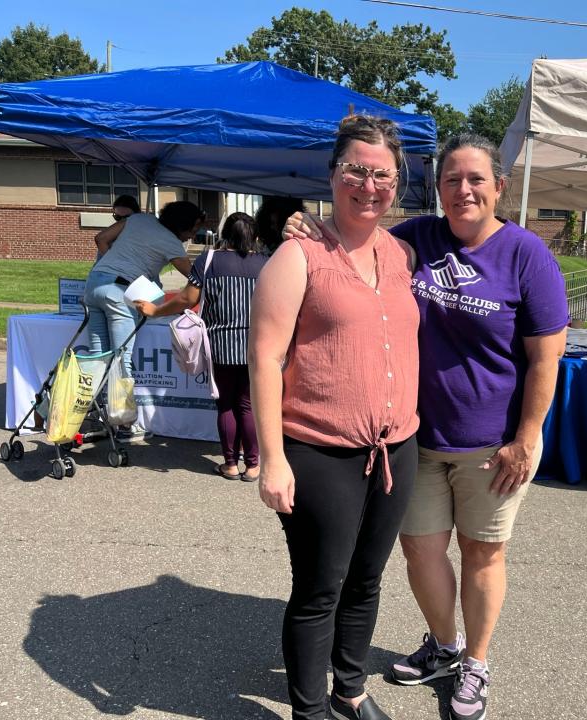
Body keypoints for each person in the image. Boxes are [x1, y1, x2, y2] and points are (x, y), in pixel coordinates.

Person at [284, 133, 569, 720]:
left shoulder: (526, 254)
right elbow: (354, 237)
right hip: (413, 439)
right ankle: (444, 645)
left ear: (499, 188)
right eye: (450, 180)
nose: (463, 190)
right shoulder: (414, 239)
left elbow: (547, 356)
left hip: (493, 444)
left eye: (475, 180)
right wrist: (308, 224)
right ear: (436, 189)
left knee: (483, 553)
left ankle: (477, 662)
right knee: (419, 551)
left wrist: (528, 436)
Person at [249, 115, 420, 720]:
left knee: (367, 581)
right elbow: (265, 359)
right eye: (356, 170)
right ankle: (309, 710)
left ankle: (350, 689)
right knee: (320, 590)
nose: (368, 185)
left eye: (382, 175)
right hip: (320, 452)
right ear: (333, 173)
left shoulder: (401, 253)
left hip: (395, 448)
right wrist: (272, 460)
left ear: (397, 184)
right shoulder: (299, 256)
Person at [134, 212, 267, 480]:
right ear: (253, 235)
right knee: (248, 405)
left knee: (226, 405)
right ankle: (253, 466)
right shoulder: (266, 263)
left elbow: (186, 298)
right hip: (256, 345)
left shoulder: (209, 260)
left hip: (220, 345)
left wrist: (155, 311)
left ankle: (230, 464)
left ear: (225, 234)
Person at [83, 201, 199, 439]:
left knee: (97, 358)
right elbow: (196, 276)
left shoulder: (140, 219)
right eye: (194, 228)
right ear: (183, 226)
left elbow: (101, 239)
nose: (195, 234)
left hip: (94, 283)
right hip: (119, 293)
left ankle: (85, 413)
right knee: (121, 358)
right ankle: (124, 422)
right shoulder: (171, 242)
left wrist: (112, 265)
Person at [94, 194, 141, 259]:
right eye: (117, 217)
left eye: (126, 218)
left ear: (137, 215)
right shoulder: (108, 237)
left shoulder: (142, 235)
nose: (121, 221)